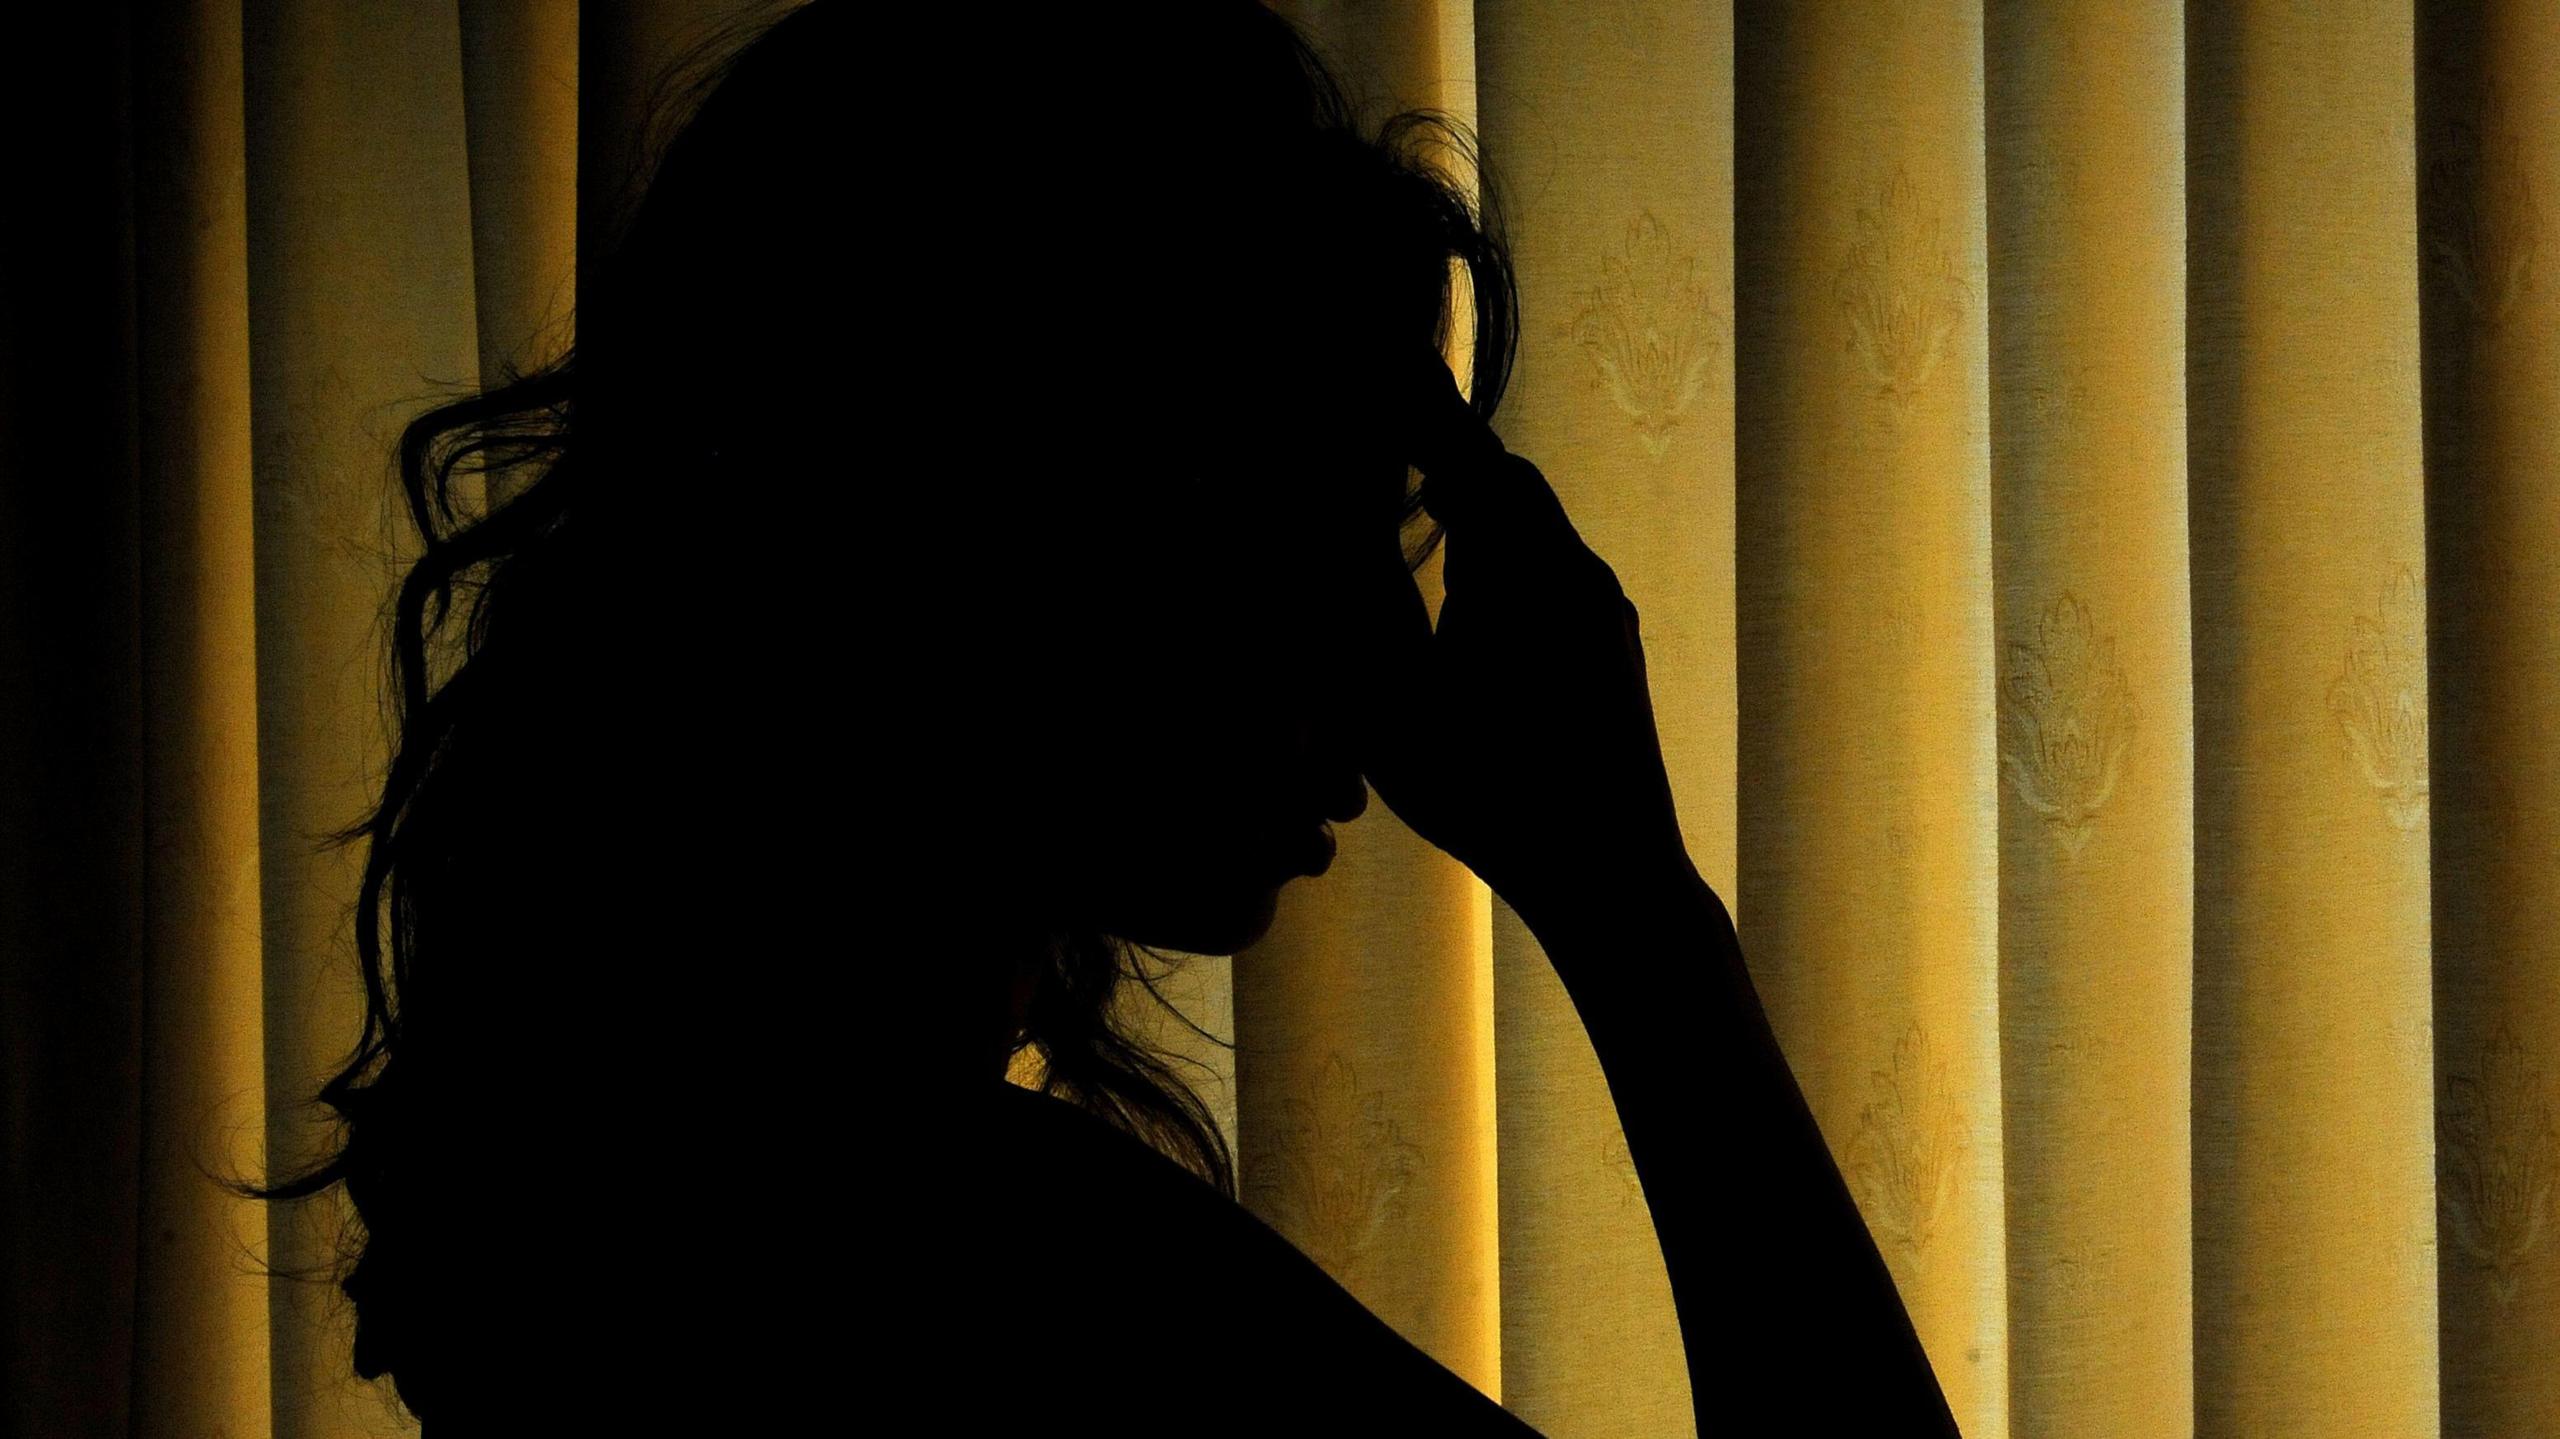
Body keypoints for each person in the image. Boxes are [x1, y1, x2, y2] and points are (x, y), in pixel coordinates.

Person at [246, 3, 1963, 1432]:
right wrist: (1629, 907)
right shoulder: (954, 1272)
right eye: (1319, 528)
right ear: (1043, 517)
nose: (1381, 664)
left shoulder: (620, 1201)